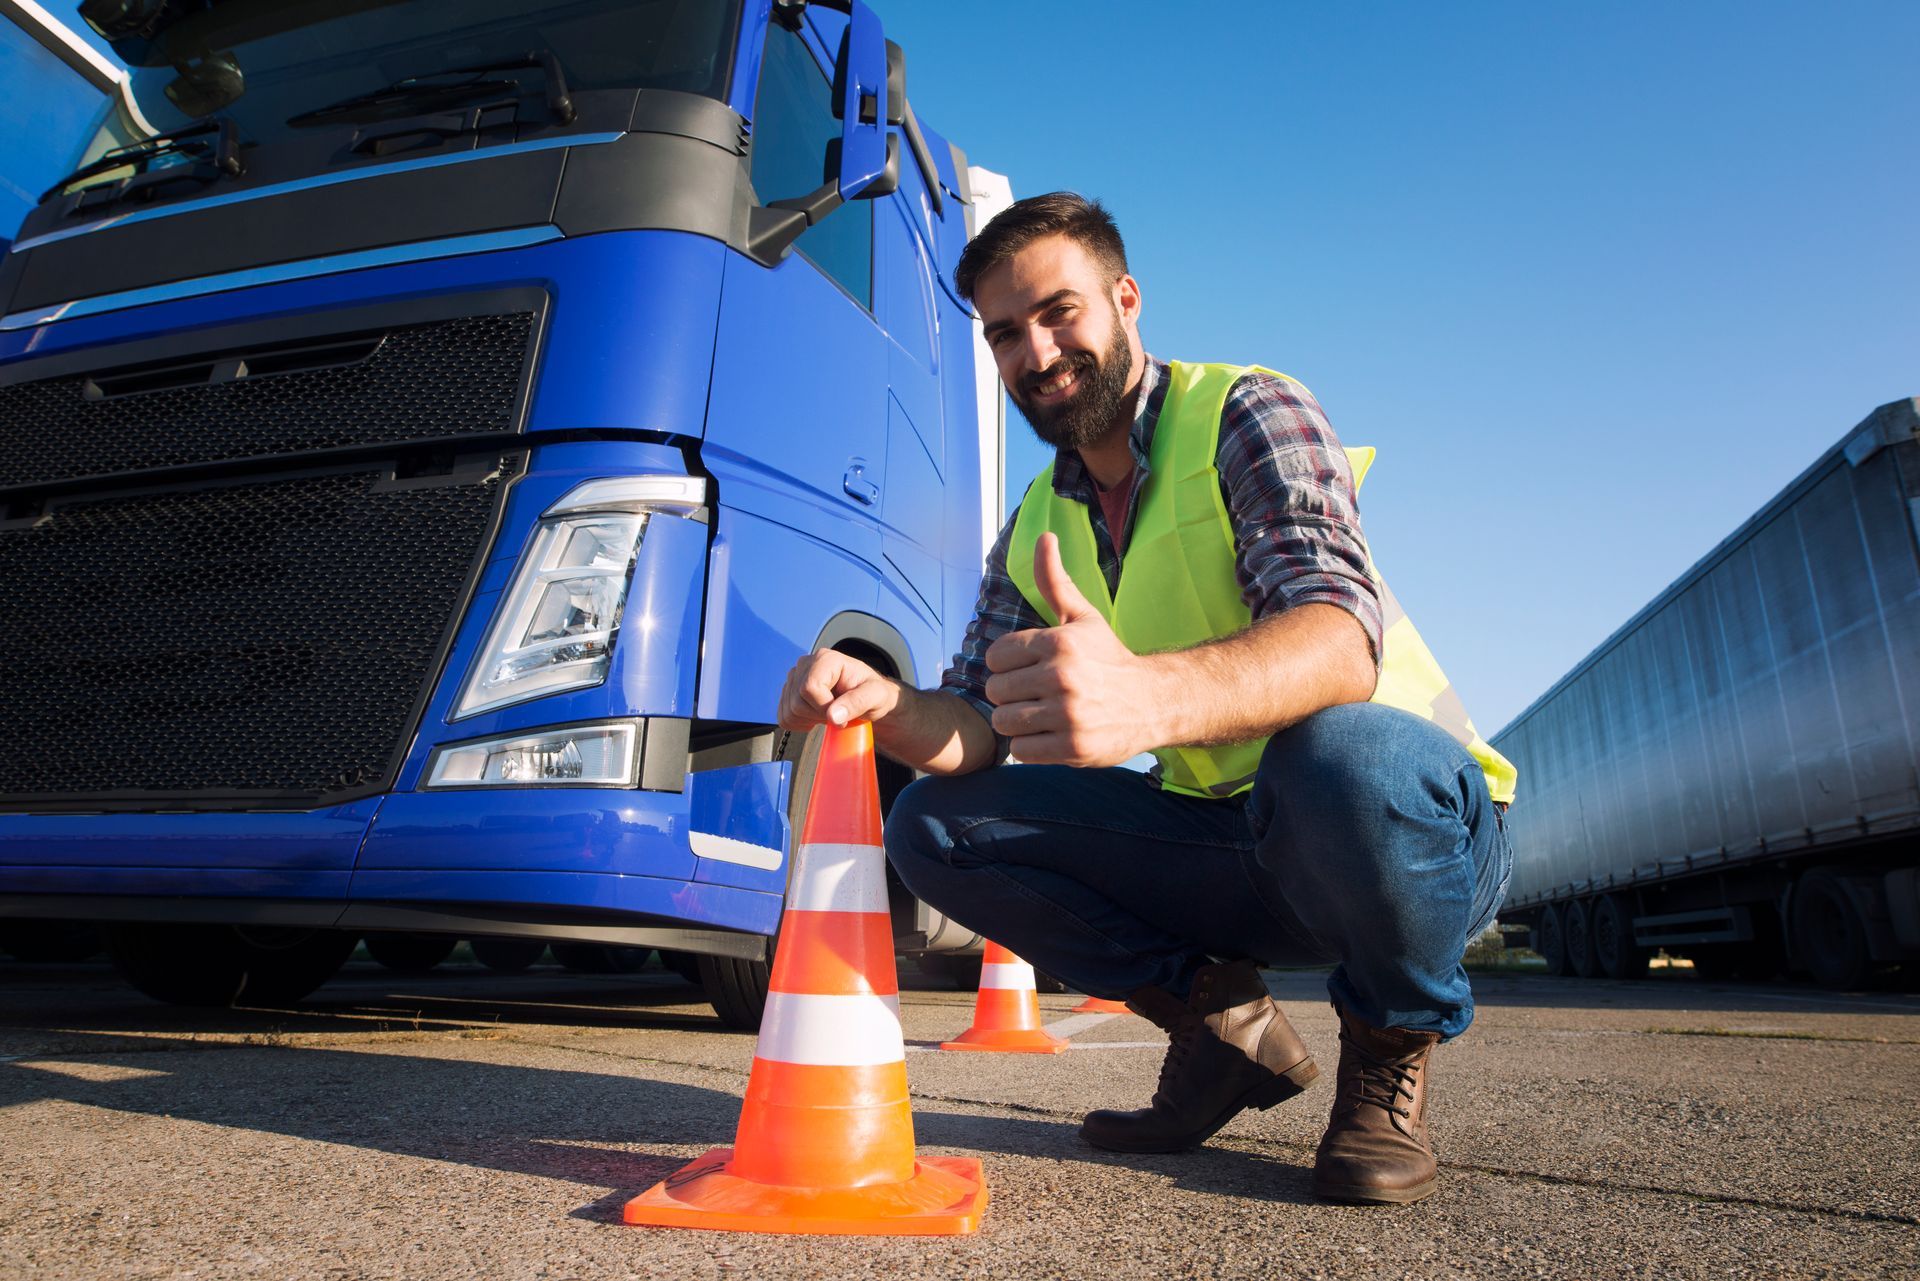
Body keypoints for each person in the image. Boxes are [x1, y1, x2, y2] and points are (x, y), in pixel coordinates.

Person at [775, 192, 1512, 1206]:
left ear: (1126, 300)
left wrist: (1146, 704)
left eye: (1059, 312)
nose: (1035, 353)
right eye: (1004, 334)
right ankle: (1222, 1034)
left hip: (1405, 837)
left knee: (1343, 756)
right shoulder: (1039, 518)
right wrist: (887, 705)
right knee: (934, 824)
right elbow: (975, 726)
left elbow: (1341, 637)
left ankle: (1388, 1047)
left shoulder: (1249, 411)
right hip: (1238, 846)